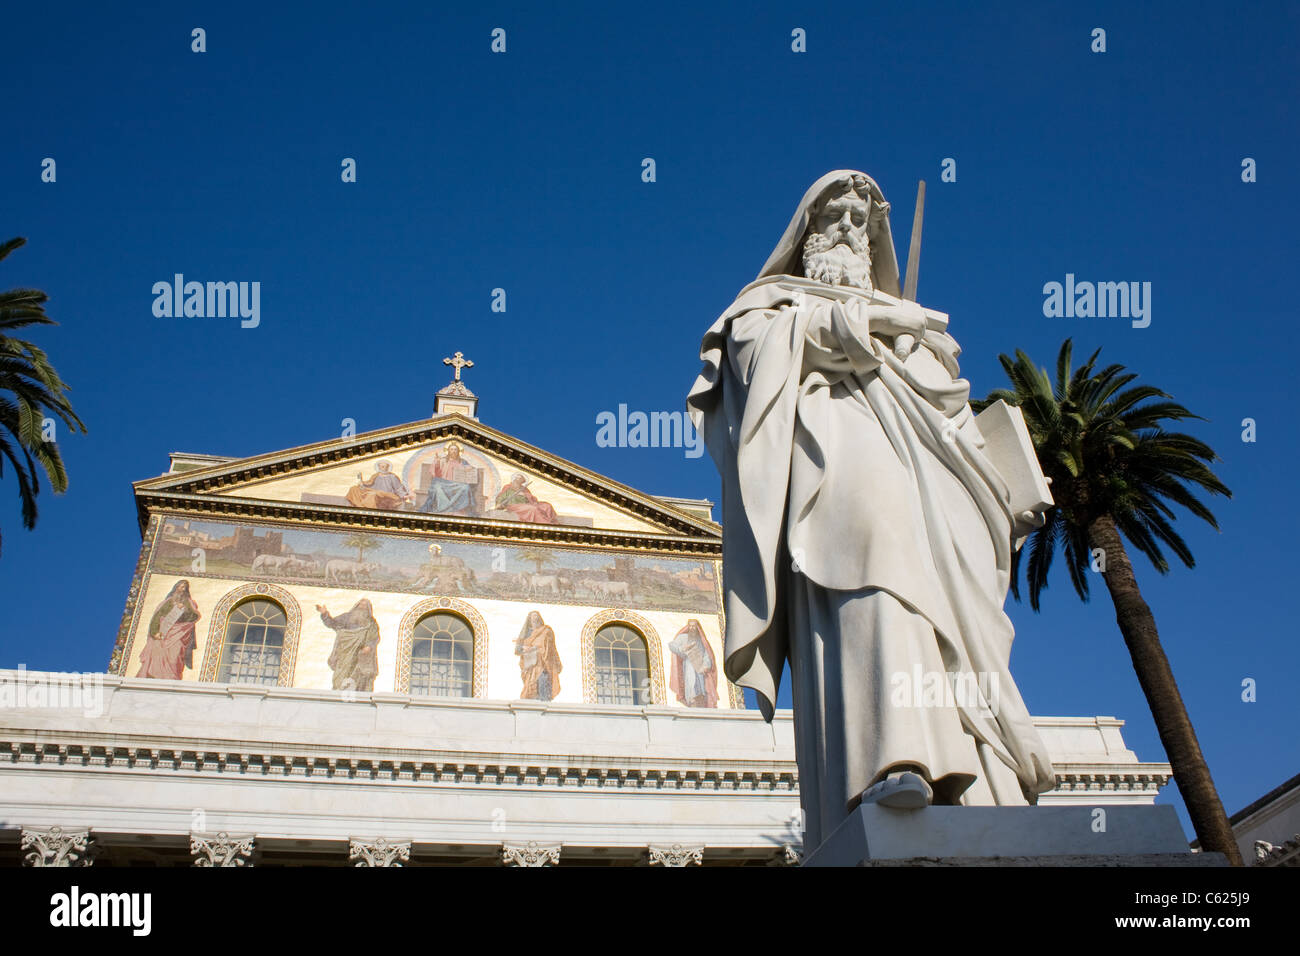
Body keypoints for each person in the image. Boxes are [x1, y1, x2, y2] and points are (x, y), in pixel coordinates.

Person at [687, 170, 1056, 851]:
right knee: (872, 568)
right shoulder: (768, 306)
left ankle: (973, 772)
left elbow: (953, 416)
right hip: (836, 455)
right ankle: (894, 756)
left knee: (936, 604)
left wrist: (1003, 494)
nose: (852, 230)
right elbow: (752, 357)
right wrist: (877, 320)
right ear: (807, 232)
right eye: (838, 216)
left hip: (927, 478)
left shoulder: (919, 330)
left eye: (864, 220)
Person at [136, 580, 200, 679]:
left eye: (184, 587)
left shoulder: (188, 603)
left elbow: (193, 616)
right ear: (175, 588)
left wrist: (184, 610)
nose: (181, 589)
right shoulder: (168, 602)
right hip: (163, 633)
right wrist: (154, 632)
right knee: (157, 655)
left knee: (175, 656)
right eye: (180, 586)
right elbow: (157, 616)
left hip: (179, 634)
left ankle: (172, 678)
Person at [317, 598, 381, 692]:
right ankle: (339, 689)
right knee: (342, 670)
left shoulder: (371, 622)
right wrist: (324, 613)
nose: (362, 607)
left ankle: (356, 691)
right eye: (360, 605)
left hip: (361, 653)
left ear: (368, 609)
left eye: (364, 606)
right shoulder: (346, 617)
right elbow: (332, 623)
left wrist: (369, 646)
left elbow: (374, 636)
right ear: (356, 606)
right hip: (345, 650)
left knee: (359, 673)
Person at [668, 619, 718, 708]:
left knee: (701, 687)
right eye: (690, 626)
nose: (692, 628)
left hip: (700, 667)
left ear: (697, 627)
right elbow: (672, 645)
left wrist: (706, 665)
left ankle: (700, 701)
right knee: (690, 682)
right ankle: (691, 700)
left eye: (694, 626)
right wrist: (682, 648)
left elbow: (707, 654)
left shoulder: (702, 640)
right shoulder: (683, 637)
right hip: (689, 664)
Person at [514, 610, 562, 701]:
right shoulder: (527, 633)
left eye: (536, 616)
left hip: (543, 662)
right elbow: (518, 649)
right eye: (532, 616)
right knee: (531, 684)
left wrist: (538, 649)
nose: (534, 618)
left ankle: (543, 699)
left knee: (542, 680)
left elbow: (550, 646)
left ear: (539, 618)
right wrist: (525, 648)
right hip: (531, 664)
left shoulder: (546, 631)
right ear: (529, 620)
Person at [346, 460, 412, 510]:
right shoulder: (376, 475)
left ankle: (366, 509)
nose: (382, 468)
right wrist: (362, 483)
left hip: (387, 494)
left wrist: (404, 495)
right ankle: (357, 505)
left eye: (384, 466)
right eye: (381, 466)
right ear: (378, 467)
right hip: (373, 491)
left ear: (388, 467)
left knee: (372, 495)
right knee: (354, 488)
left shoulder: (392, 477)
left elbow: (398, 488)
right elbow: (369, 483)